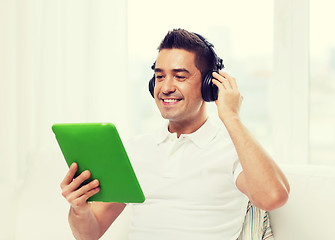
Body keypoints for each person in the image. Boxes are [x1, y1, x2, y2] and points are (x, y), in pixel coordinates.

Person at [60, 29, 290, 240]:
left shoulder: (231, 149)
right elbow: (89, 234)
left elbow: (272, 196)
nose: (166, 87)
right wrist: (79, 209)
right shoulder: (135, 150)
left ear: (209, 85)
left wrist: (231, 117)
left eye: (180, 76)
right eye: (160, 77)